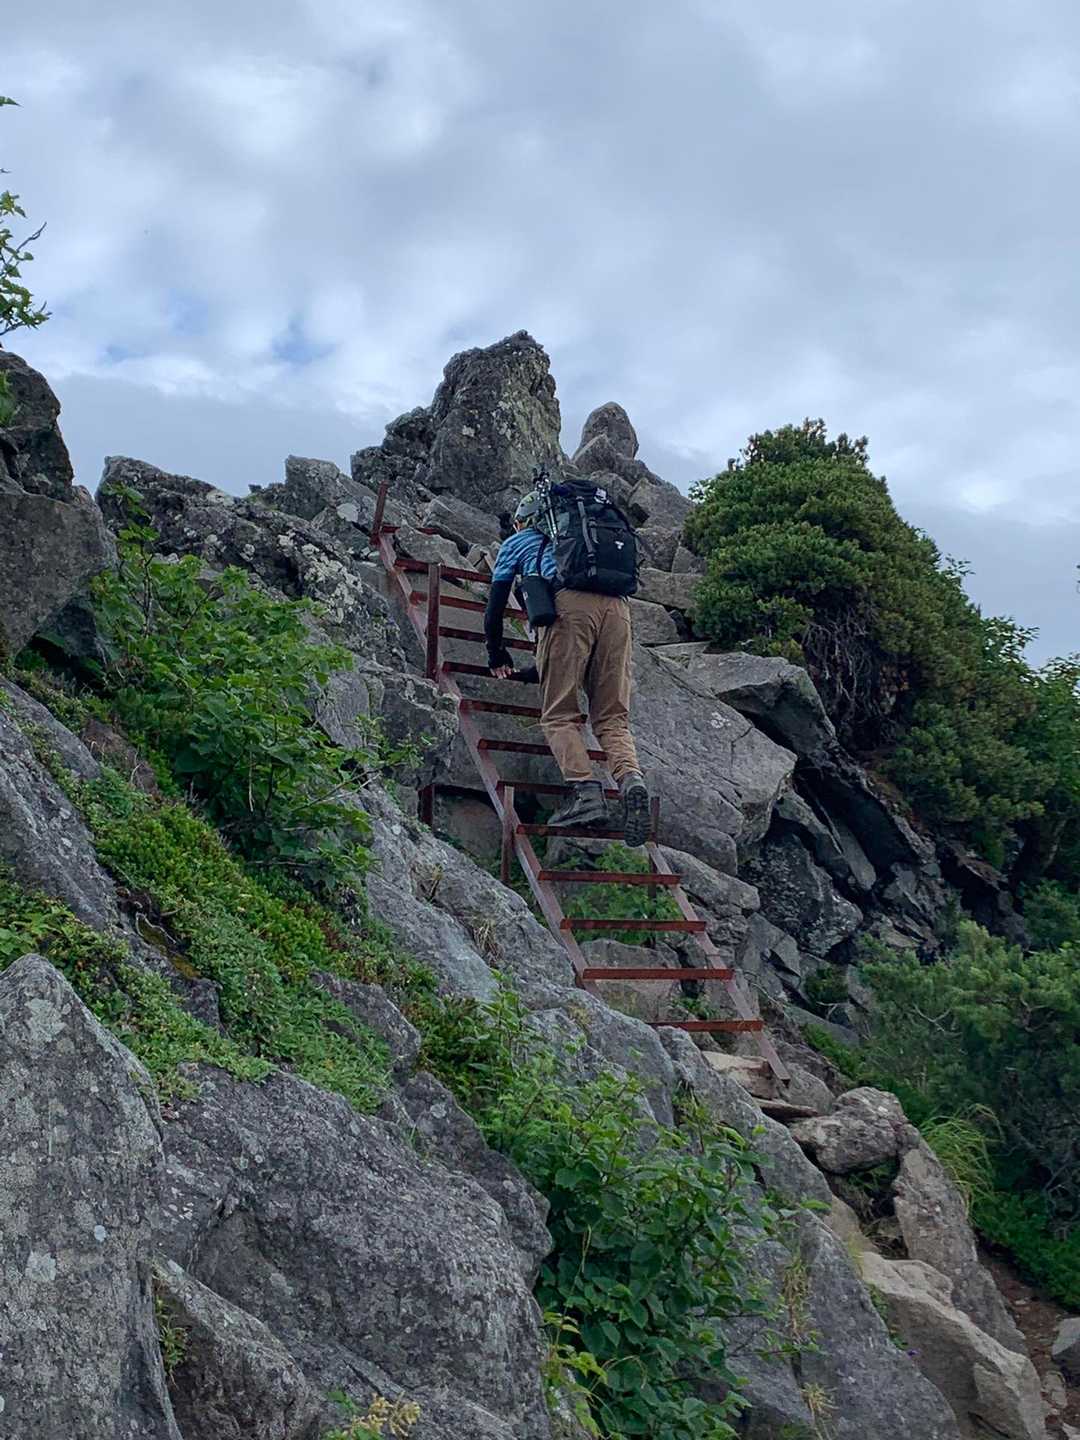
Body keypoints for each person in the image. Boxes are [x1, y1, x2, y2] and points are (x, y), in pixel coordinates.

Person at [484, 488, 651, 844]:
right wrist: (537, 670)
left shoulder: (519, 542)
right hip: (618, 610)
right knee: (612, 716)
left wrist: (496, 653)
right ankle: (630, 779)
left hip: (570, 607)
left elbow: (495, 605)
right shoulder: (585, 541)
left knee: (559, 715)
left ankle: (586, 793)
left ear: (526, 519)